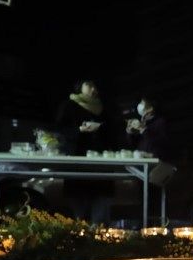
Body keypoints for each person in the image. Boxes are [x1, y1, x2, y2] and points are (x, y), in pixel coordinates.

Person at [55, 79, 113, 223]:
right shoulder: (69, 105)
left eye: (95, 85)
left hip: (100, 162)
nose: (93, 88)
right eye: (89, 85)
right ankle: (80, 234)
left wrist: (101, 128)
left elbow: (112, 130)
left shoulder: (102, 107)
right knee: (78, 205)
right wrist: (78, 130)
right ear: (79, 87)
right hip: (77, 158)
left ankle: (100, 238)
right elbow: (60, 130)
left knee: (100, 202)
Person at [125, 96, 176, 162]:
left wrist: (143, 130)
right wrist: (130, 132)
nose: (139, 106)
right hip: (140, 159)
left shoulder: (161, 122)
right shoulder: (141, 122)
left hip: (155, 160)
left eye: (142, 104)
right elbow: (133, 143)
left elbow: (162, 142)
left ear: (150, 108)